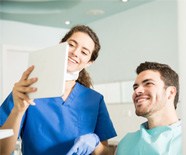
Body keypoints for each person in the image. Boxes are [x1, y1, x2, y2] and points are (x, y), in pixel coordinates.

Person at [0, 25, 117, 155]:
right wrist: (17, 110)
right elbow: (2, 151)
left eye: (84, 52)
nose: (75, 52)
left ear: (89, 62)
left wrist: (95, 143)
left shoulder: (95, 100)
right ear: (61, 45)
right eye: (72, 45)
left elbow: (106, 153)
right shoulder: (28, 89)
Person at [115, 61, 186, 155]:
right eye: (135, 87)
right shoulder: (125, 145)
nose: (137, 91)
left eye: (148, 83)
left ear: (170, 92)